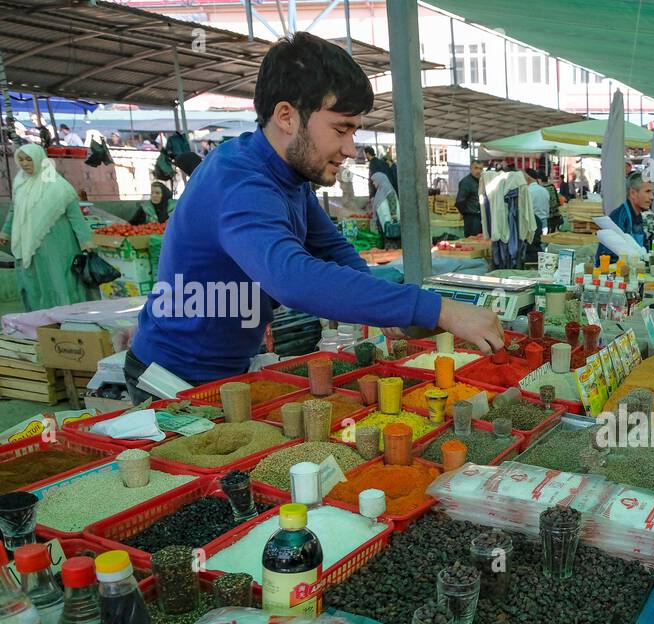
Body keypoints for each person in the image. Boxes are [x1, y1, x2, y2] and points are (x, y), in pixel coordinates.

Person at [127, 32, 502, 396]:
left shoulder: (287, 177)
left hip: (227, 371)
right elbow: (293, 278)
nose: (351, 149)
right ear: (287, 116)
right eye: (341, 129)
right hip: (171, 379)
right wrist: (437, 308)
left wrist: (394, 315)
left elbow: (335, 252)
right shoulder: (239, 181)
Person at [0, 144, 95, 310]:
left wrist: (85, 240)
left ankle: (66, 316)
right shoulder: (20, 183)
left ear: (39, 159)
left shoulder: (59, 186)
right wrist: (5, 232)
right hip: (29, 243)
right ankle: (40, 318)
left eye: (29, 159)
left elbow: (75, 216)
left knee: (58, 278)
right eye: (21, 160)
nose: (24, 163)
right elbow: (15, 210)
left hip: (57, 244)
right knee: (36, 281)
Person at [597, 172, 654, 264]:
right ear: (633, 193)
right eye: (647, 191)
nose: (652, 197)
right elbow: (611, 255)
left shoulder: (638, 215)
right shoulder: (620, 216)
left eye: (652, 192)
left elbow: (643, 246)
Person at [369, 170, 400, 248]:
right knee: (385, 237)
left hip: (390, 221)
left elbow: (392, 202)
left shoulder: (388, 189)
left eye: (374, 181)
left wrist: (394, 217)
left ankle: (393, 255)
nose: (373, 183)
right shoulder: (380, 191)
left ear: (380, 180)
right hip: (384, 221)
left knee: (391, 238)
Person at [456, 159, 484, 237]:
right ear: (471, 168)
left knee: (480, 242)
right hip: (471, 218)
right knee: (472, 241)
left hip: (480, 217)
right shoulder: (466, 182)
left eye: (480, 168)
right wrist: (465, 213)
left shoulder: (481, 181)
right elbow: (460, 201)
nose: (478, 171)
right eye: (476, 168)